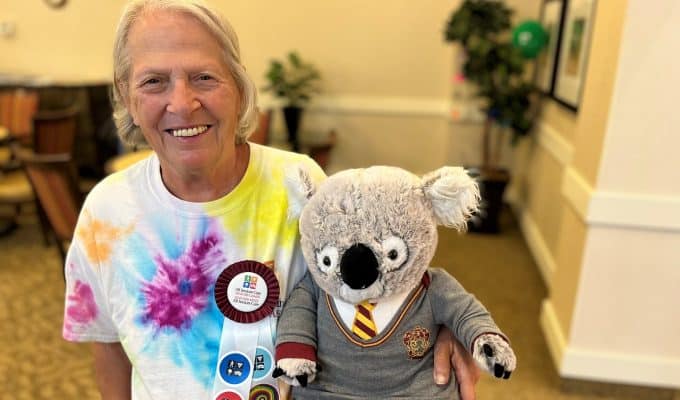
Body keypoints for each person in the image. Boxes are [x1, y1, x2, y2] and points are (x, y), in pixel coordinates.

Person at [61, 0, 480, 398]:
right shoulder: (106, 213)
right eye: (153, 81)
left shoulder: (299, 187)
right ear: (127, 96)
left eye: (204, 77)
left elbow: (376, 289)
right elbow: (109, 346)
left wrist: (438, 327)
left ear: (239, 86)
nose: (182, 103)